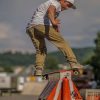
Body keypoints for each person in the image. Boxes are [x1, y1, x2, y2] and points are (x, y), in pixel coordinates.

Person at [26, 0, 83, 76]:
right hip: (41, 25)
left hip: (31, 28)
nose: (68, 8)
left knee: (41, 49)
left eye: (70, 7)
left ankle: (38, 70)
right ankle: (73, 63)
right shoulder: (55, 3)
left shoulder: (56, 9)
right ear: (63, 1)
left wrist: (55, 25)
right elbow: (50, 11)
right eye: (68, 5)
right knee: (62, 42)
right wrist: (53, 21)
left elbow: (50, 16)